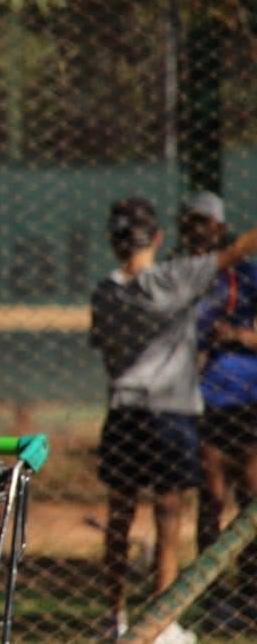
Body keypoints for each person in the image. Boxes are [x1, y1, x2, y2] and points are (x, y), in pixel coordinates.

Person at [90, 196, 257, 643]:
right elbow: (232, 253)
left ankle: (113, 616)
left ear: (113, 241)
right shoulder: (174, 278)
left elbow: (104, 346)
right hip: (170, 412)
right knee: (168, 515)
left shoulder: (105, 292)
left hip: (124, 409)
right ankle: (161, 623)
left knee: (120, 515)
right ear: (159, 237)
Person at [181, 192, 257, 624]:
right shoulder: (178, 275)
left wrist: (240, 337)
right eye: (191, 222)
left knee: (251, 493)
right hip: (204, 398)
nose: (197, 230)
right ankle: (208, 596)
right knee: (211, 496)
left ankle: (250, 591)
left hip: (249, 396)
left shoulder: (245, 276)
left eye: (205, 222)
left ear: (220, 228)